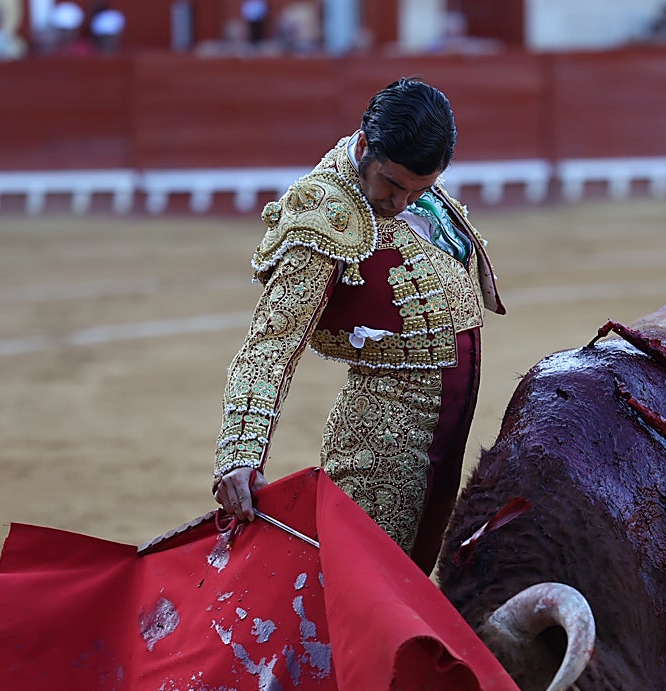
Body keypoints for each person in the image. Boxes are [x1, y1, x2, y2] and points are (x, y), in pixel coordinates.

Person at [212, 77, 504, 576]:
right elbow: (271, 344)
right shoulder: (322, 214)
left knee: (411, 580)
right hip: (382, 448)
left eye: (420, 189)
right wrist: (240, 452)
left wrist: (410, 188)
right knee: (368, 588)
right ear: (365, 145)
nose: (401, 203)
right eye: (392, 184)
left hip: (443, 435)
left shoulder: (410, 187)